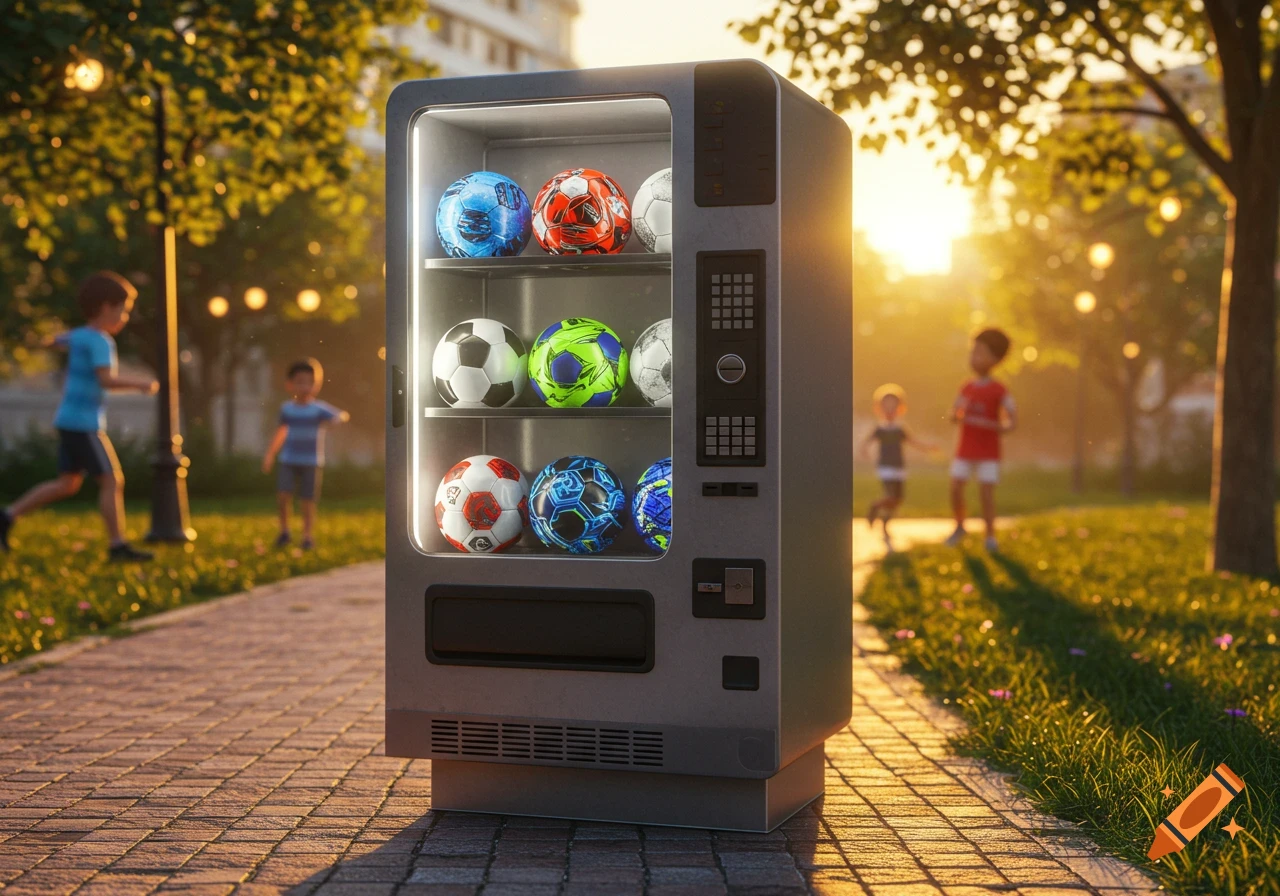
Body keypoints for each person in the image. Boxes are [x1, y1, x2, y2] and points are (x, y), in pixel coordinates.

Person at [0, 272, 159, 559]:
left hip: (69, 420)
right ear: (106, 307)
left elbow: (57, 340)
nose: (124, 318)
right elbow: (106, 380)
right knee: (112, 481)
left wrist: (45, 342)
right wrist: (142, 384)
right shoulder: (100, 342)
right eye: (123, 311)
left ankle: (7, 516)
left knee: (67, 484)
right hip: (84, 424)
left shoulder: (80, 335)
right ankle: (117, 545)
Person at [262, 359, 349, 550]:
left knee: (307, 500)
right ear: (290, 384)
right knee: (283, 496)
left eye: (310, 382)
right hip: (288, 459)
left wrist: (336, 421)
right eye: (300, 382)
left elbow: (341, 415)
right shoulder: (287, 409)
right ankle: (285, 532)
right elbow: (281, 432)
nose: (305, 386)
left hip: (311, 461)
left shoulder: (318, 409)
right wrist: (270, 454)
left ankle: (307, 536)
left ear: (316, 385)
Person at [945, 327, 1016, 552]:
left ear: (995, 359)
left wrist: (995, 425)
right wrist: (957, 416)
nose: (974, 358)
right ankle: (959, 526)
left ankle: (990, 536)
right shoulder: (966, 387)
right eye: (972, 352)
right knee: (956, 487)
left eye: (980, 353)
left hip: (988, 451)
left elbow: (1012, 421)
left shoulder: (999, 389)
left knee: (986, 493)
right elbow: (953, 413)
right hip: (965, 448)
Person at [859, 384, 934, 549]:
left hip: (899, 466)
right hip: (885, 466)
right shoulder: (880, 428)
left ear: (900, 408)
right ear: (879, 407)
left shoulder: (900, 429)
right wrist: (863, 450)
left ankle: (885, 523)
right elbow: (866, 442)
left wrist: (928, 448)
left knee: (898, 499)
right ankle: (875, 507)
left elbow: (913, 442)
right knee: (890, 495)